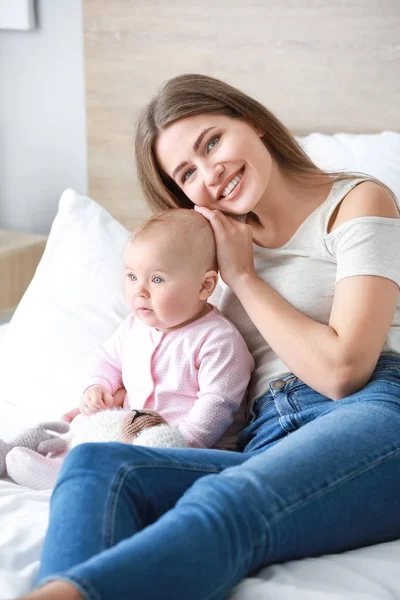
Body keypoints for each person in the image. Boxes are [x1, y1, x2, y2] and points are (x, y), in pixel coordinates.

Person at [20, 73, 400, 600]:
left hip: (370, 414)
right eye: (187, 172)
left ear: (255, 124)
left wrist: (242, 276)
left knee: (228, 503)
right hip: (260, 437)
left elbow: (345, 370)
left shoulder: (359, 201)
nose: (210, 171)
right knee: (93, 465)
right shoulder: (204, 252)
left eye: (212, 141)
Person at [7, 208, 254, 490]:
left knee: (108, 442)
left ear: (205, 285)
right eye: (132, 276)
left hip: (184, 450)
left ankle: (69, 471)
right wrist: (97, 386)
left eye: (157, 279)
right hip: (131, 432)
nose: (140, 291)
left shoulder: (218, 339)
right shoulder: (135, 326)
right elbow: (106, 359)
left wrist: (178, 445)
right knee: (86, 421)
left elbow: (217, 405)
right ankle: (49, 455)